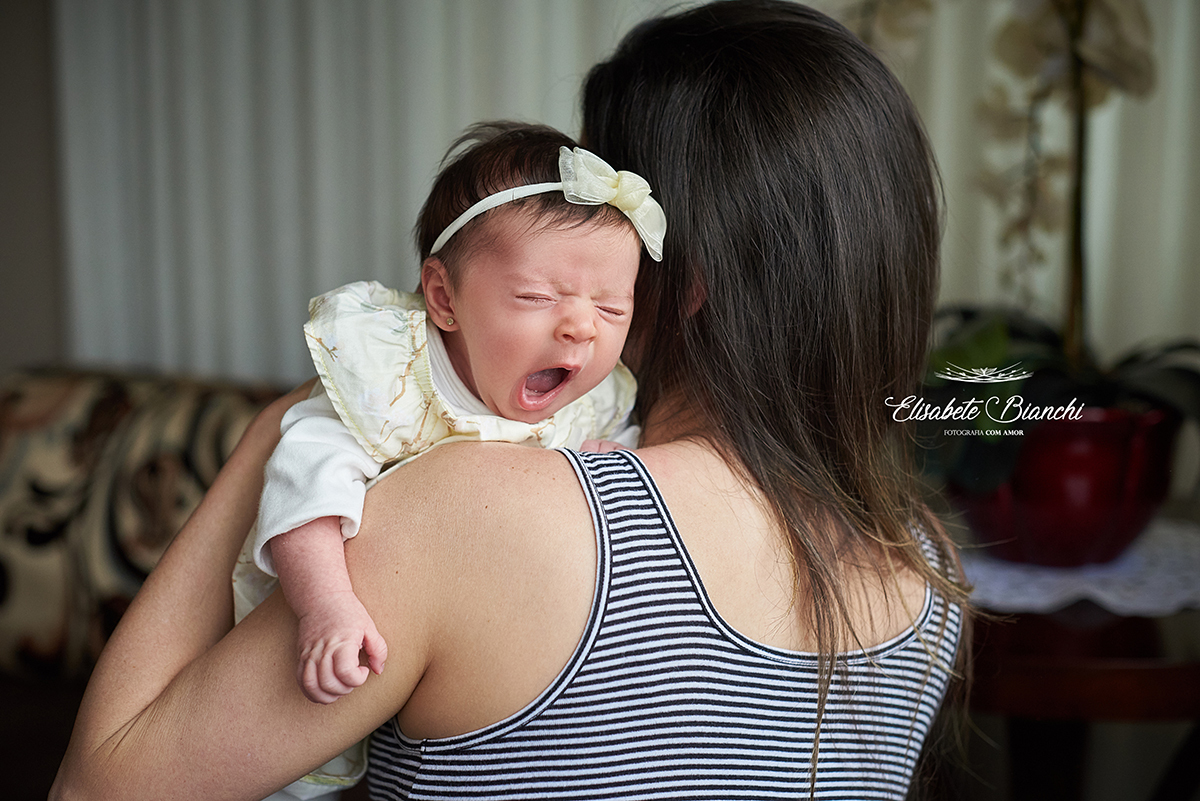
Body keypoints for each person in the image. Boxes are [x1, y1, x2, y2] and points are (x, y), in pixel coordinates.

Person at [51, 2, 969, 800]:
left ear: (678, 278)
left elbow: (102, 781)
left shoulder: (474, 509)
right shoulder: (926, 568)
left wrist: (281, 429)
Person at [233, 122, 664, 799]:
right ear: (443, 297)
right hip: (326, 626)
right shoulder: (391, 377)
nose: (581, 326)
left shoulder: (595, 401)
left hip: (464, 673)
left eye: (612, 308)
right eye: (536, 297)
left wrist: (613, 459)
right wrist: (325, 606)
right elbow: (301, 482)